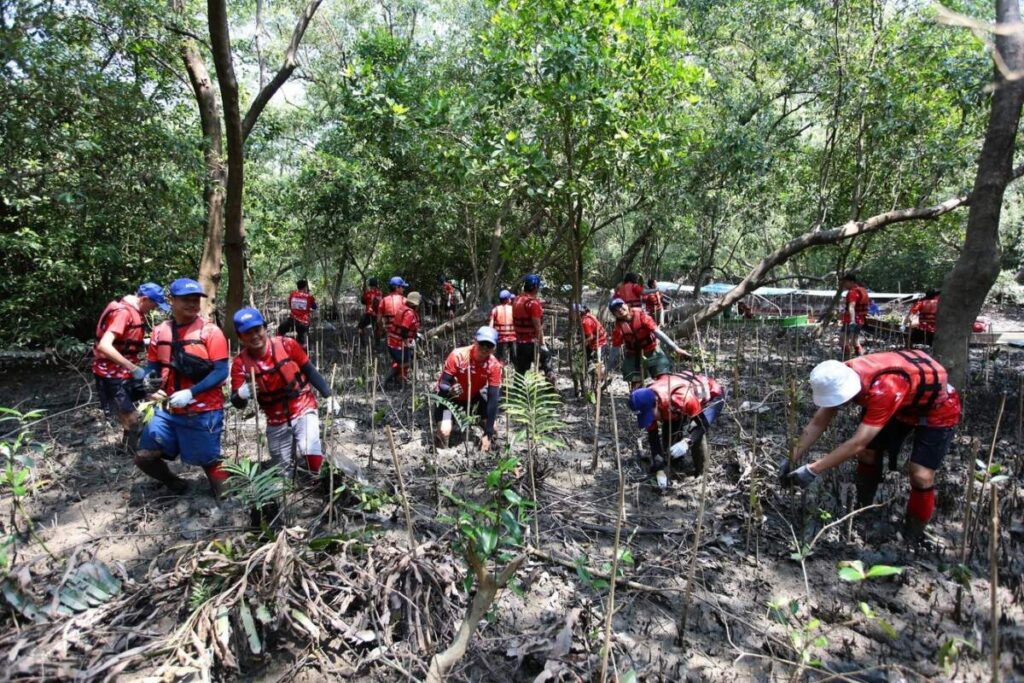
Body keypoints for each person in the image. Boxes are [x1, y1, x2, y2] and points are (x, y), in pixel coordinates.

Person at [781, 350, 961, 542]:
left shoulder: (884, 388)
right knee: (868, 454)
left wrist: (812, 470)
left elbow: (858, 442)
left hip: (936, 409)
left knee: (920, 475)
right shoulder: (839, 374)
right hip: (900, 403)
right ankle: (862, 508)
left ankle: (913, 534)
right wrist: (791, 456)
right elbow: (818, 422)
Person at [135, 278, 230, 496]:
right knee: (144, 456)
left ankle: (226, 501)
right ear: (171, 300)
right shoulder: (160, 332)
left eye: (195, 300)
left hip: (203, 409)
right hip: (167, 409)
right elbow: (153, 367)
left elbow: (221, 371)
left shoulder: (211, 332)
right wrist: (150, 384)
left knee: (209, 460)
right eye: (185, 300)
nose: (192, 304)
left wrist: (191, 392)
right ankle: (175, 483)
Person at [230, 308, 341, 477]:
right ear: (240, 337)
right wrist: (241, 394)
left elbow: (309, 370)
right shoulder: (240, 364)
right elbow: (238, 404)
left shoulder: (287, 344)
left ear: (265, 328)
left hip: (303, 405)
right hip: (275, 418)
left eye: (257, 330)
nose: (254, 336)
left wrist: (329, 395)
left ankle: (320, 475)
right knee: (282, 472)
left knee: (310, 451)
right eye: (247, 333)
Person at [628, 355, 725, 487]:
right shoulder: (648, 401)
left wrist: (687, 442)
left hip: (712, 396)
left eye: (650, 415)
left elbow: (702, 424)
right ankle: (676, 464)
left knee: (695, 430)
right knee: (669, 434)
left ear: (655, 403)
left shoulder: (680, 397)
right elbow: (653, 438)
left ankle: (701, 473)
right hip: (673, 405)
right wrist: (659, 469)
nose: (652, 419)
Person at [93, 283, 169, 446]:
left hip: (127, 372)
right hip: (111, 375)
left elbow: (127, 340)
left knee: (157, 395)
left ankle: (145, 442)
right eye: (154, 304)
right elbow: (104, 346)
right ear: (144, 299)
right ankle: (131, 450)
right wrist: (133, 368)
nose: (154, 309)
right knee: (131, 417)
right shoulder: (123, 313)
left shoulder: (135, 311)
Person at [434, 327, 503, 451]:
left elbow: (493, 399)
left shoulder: (494, 365)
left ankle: (485, 453)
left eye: (489, 345)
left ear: (494, 348)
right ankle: (440, 456)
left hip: (472, 398)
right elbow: (443, 383)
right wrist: (450, 390)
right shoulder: (458, 355)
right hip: (449, 399)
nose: (485, 349)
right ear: (475, 341)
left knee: (493, 429)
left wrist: (488, 433)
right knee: (444, 432)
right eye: (482, 344)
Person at [608, 297, 688, 390]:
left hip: (651, 349)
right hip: (633, 354)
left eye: (620, 306)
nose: (620, 310)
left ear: (626, 304)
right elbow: (615, 349)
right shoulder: (618, 328)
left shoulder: (641, 315)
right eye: (616, 310)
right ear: (614, 314)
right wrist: (607, 370)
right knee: (635, 384)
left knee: (664, 378)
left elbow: (657, 332)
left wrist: (676, 348)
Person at [512, 273, 554, 383]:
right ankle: (551, 391)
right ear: (536, 287)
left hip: (519, 342)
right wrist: (542, 344)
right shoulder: (533, 304)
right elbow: (537, 327)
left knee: (520, 372)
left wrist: (543, 303)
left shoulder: (517, 300)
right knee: (547, 359)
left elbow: (529, 303)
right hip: (531, 343)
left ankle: (516, 394)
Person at [385, 291, 422, 386]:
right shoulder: (409, 313)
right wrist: (407, 341)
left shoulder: (403, 309)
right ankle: (399, 381)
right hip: (398, 343)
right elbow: (404, 328)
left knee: (400, 362)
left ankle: (393, 380)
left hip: (393, 341)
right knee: (405, 363)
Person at [839, 272, 870, 358]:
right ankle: (860, 357)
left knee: (842, 339)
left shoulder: (852, 292)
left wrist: (852, 321)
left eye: (845, 282)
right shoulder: (862, 290)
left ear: (851, 282)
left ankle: (846, 359)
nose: (844, 284)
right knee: (855, 340)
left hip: (851, 320)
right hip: (860, 319)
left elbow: (851, 307)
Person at [287, 279, 318, 349]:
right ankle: (303, 350)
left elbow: (290, 305)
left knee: (299, 333)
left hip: (292, 319)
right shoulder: (309, 296)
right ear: (305, 287)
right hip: (304, 321)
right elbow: (315, 307)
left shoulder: (292, 294)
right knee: (304, 337)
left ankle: (298, 343)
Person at [489, 289, 517, 363]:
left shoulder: (495, 310)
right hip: (512, 338)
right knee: (514, 358)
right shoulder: (513, 309)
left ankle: (500, 370)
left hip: (500, 338)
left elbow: (490, 326)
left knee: (499, 359)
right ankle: (515, 371)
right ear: (508, 300)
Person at [377, 276, 408, 340]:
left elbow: (379, 320)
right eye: (403, 287)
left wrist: (382, 329)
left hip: (390, 335)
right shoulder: (405, 301)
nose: (403, 289)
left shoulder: (383, 301)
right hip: (403, 335)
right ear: (397, 288)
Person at [357, 277, 383, 345]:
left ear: (370, 285)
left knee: (360, 326)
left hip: (369, 313)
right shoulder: (380, 293)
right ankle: (377, 343)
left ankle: (362, 343)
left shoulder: (367, 293)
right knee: (377, 329)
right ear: (376, 284)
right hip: (377, 314)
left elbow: (363, 301)